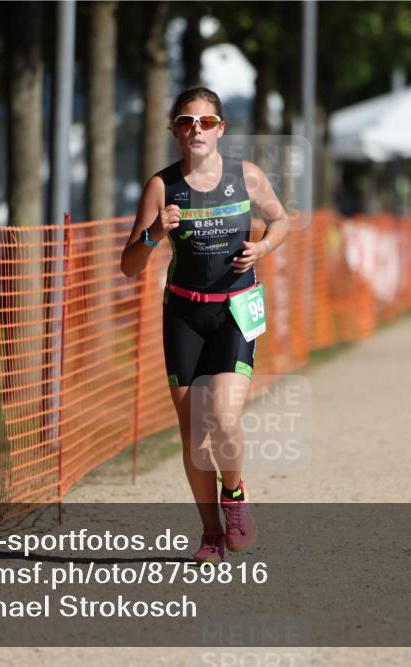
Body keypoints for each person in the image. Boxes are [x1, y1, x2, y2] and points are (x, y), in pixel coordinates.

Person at [120, 87, 290, 565]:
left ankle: (233, 495)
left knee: (225, 418)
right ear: (175, 131)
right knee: (194, 435)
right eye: (186, 121)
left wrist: (264, 248)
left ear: (221, 128)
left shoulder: (246, 177)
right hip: (183, 314)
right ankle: (211, 533)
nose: (197, 129)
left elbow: (280, 221)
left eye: (207, 121)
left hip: (235, 309)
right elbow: (128, 265)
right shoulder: (161, 186)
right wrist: (155, 235)